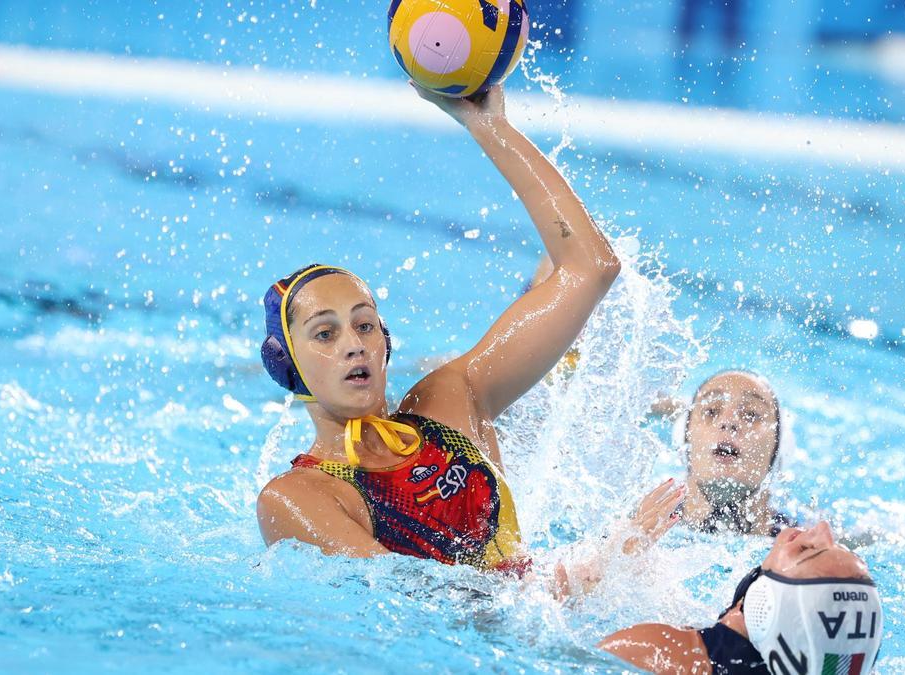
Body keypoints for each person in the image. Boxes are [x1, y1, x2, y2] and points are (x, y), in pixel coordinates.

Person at [254, 83, 685, 586]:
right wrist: (601, 563)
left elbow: (591, 266)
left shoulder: (449, 402)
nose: (354, 342)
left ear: (385, 342)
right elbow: (415, 604)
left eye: (365, 324)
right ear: (286, 364)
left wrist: (491, 129)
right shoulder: (299, 496)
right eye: (324, 334)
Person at [599, 521, 884, 674]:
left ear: (765, 604)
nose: (823, 529)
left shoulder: (667, 655)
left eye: (808, 551)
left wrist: (609, 559)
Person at [673, 371, 794, 536]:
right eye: (711, 411)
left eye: (751, 414)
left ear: (778, 448)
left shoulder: (806, 544)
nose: (728, 422)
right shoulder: (638, 526)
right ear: (685, 439)